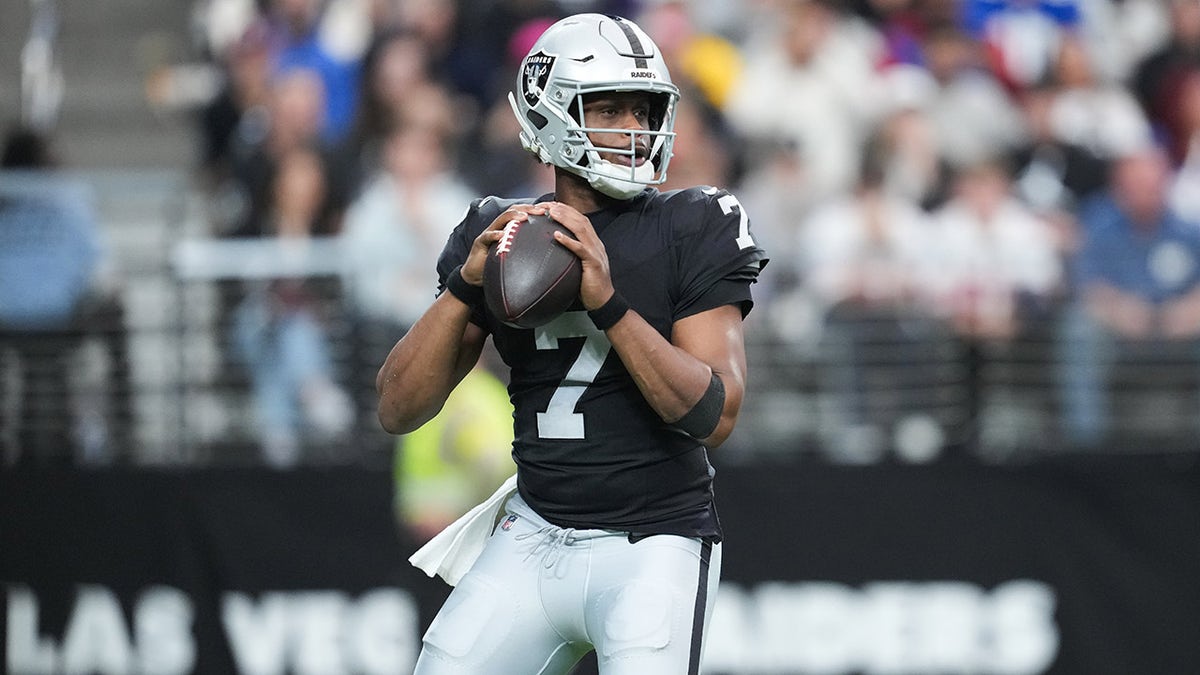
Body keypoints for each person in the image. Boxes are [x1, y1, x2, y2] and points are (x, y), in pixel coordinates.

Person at [375, 14, 767, 674]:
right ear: (550, 113)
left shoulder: (694, 222)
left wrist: (609, 305)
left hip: (654, 541)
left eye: (642, 110)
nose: (634, 129)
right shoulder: (501, 232)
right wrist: (466, 286)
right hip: (533, 534)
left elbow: (715, 414)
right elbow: (397, 408)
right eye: (609, 109)